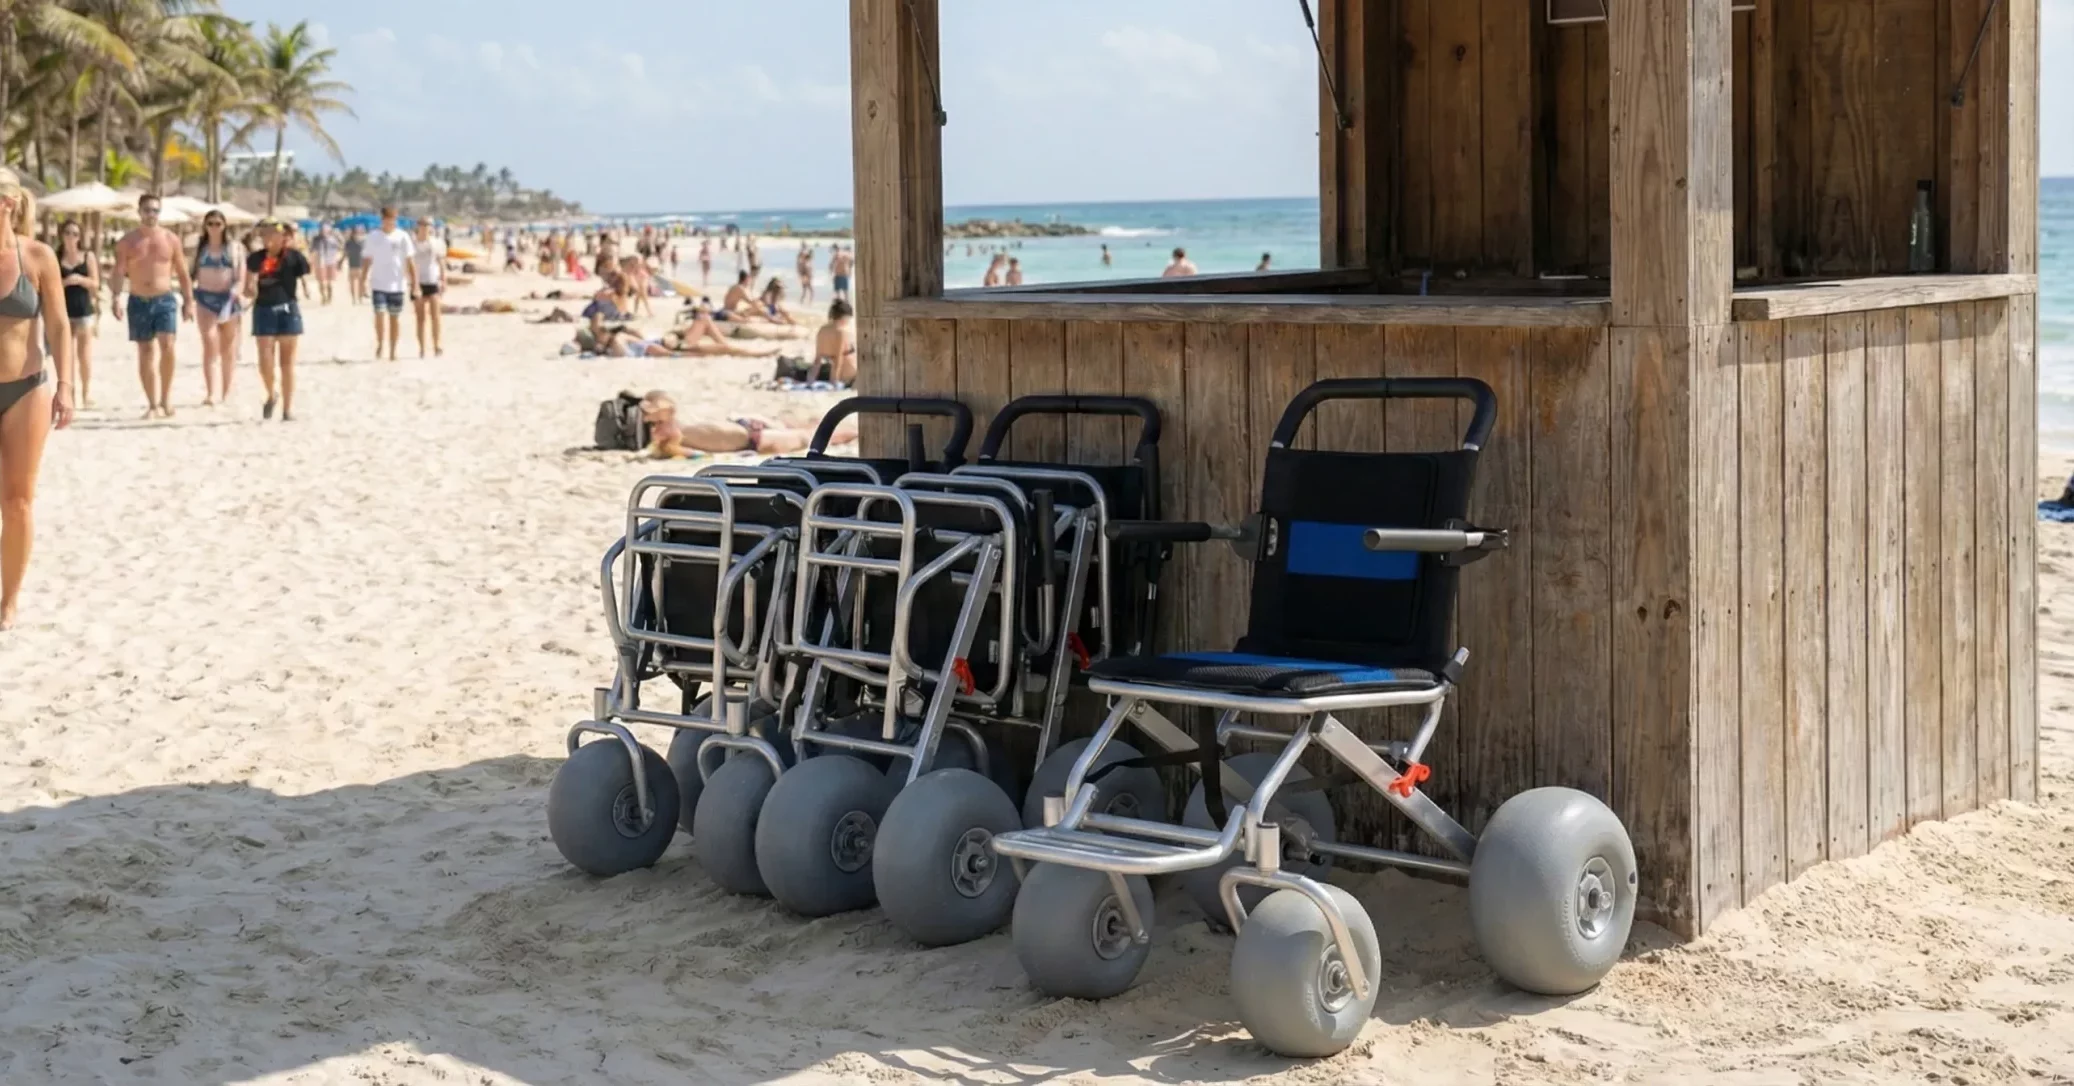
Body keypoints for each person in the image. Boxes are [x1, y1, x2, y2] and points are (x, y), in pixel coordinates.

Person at [0, 170, 78, 630]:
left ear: (7, 203)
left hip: (27, 389)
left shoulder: (37, 256)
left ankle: (8, 599)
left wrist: (66, 387)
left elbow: (61, 325)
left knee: (18, 501)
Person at [109, 192, 195, 419]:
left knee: (167, 345)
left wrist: (189, 301)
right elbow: (118, 271)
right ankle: (152, 403)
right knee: (145, 351)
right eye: (147, 210)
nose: (151, 214)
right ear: (139, 212)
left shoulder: (170, 239)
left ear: (160, 212)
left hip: (165, 298)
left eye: (155, 210)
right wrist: (116, 297)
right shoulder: (127, 241)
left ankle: (166, 398)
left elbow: (183, 272)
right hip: (138, 299)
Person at [639, 390, 854, 459]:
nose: (655, 427)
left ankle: (856, 428)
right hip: (755, 439)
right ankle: (860, 431)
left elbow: (665, 404)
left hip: (746, 427)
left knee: (808, 427)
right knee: (815, 435)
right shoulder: (671, 438)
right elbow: (696, 455)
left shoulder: (673, 427)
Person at [245, 219, 311, 421]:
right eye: (264, 234)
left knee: (287, 363)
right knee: (265, 359)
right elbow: (249, 282)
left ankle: (287, 409)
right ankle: (272, 392)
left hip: (288, 308)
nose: (268, 238)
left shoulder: (294, 257)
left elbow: (304, 275)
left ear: (283, 237)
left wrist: (307, 288)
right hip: (263, 309)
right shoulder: (256, 258)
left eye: (273, 233)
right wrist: (250, 289)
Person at [190, 210, 244, 407]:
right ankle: (211, 392)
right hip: (205, 299)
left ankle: (226, 391)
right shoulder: (200, 248)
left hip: (228, 299)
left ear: (224, 226)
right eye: (210, 223)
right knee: (209, 343)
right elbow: (191, 274)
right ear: (205, 226)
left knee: (227, 349)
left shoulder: (234, 249)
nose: (214, 227)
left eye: (217, 224)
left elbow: (240, 277)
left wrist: (235, 293)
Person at [361, 207, 417, 361]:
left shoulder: (403, 236)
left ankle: (393, 350)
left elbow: (410, 261)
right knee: (379, 313)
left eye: (393, 219)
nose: (390, 222)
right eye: (388, 219)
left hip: (397, 284)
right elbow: (367, 259)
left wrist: (415, 284)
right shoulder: (373, 236)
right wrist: (362, 281)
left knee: (395, 318)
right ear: (383, 219)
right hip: (378, 283)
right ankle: (380, 343)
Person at [55, 221, 97, 408]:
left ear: (80, 237)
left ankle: (86, 392)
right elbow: (50, 285)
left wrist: (80, 279)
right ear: (62, 235)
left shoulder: (88, 256)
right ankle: (69, 394)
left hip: (83, 310)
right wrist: (65, 282)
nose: (71, 237)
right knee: (67, 355)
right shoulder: (56, 257)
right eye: (68, 233)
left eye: (75, 233)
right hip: (63, 311)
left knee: (84, 355)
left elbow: (96, 283)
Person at [409, 218, 445, 358]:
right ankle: (422, 348)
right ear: (418, 226)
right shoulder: (412, 244)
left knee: (436, 316)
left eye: (428, 225)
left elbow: (441, 261)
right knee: (420, 318)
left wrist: (443, 279)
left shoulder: (436, 243)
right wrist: (412, 282)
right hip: (418, 282)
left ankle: (437, 346)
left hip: (432, 280)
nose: (426, 227)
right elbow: (408, 263)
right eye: (423, 225)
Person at [813, 298, 857, 385]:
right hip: (847, 374)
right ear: (845, 317)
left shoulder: (822, 330)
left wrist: (811, 378)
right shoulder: (840, 332)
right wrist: (834, 380)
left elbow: (817, 358)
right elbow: (839, 357)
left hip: (827, 370)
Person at [310, 224, 343, 305]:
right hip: (320, 262)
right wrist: (312, 261)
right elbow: (312, 250)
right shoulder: (316, 240)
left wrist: (339, 237)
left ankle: (329, 297)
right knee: (321, 282)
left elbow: (340, 247)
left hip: (331, 262)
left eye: (325, 230)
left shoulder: (333, 239)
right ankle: (323, 296)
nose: (323, 232)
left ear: (329, 231)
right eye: (322, 230)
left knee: (329, 283)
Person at [344, 225, 368, 304]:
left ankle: (360, 298)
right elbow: (345, 253)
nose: (357, 234)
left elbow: (367, 254)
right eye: (356, 232)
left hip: (360, 265)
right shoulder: (348, 243)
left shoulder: (363, 242)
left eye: (358, 232)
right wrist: (340, 262)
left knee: (361, 283)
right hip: (352, 265)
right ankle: (354, 299)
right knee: (352, 283)